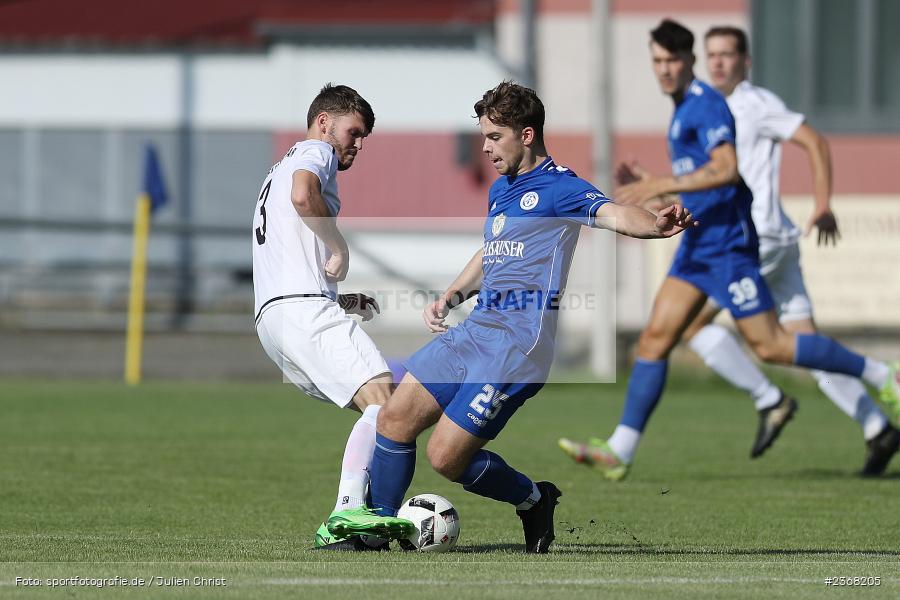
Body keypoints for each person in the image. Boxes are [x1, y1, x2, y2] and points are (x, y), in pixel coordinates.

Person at [324, 81, 696, 553]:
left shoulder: (561, 187)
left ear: (526, 135)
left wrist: (656, 225)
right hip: (475, 331)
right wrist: (452, 294)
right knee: (394, 418)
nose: (485, 147)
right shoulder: (502, 190)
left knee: (446, 458)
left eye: (494, 137)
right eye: (483, 136)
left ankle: (535, 499)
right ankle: (376, 529)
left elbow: (616, 215)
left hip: (517, 348)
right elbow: (493, 251)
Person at [557, 20, 899, 481]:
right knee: (655, 338)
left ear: (689, 61)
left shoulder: (708, 104)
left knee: (771, 345)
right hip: (699, 243)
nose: (664, 69)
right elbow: (704, 182)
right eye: (657, 61)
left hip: (730, 245)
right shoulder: (683, 108)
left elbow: (726, 169)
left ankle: (880, 375)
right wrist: (660, 191)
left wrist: (660, 183)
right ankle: (620, 449)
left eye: (672, 60)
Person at [680, 26, 898, 473]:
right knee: (807, 345)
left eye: (727, 54)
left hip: (754, 238)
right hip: (768, 238)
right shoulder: (706, 107)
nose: (718, 62)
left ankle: (771, 398)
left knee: (687, 323)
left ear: (745, 61)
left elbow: (814, 141)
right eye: (712, 54)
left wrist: (823, 204)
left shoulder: (756, 104)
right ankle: (878, 427)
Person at [251, 83, 413, 550]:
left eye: (363, 137)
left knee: (379, 407)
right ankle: (347, 512)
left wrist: (340, 300)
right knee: (385, 401)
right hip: (302, 312)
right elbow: (304, 197)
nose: (357, 144)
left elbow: (289, 255)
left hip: (275, 319)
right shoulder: (315, 151)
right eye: (353, 132)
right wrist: (339, 246)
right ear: (324, 123)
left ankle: (359, 520)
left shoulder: (278, 168)